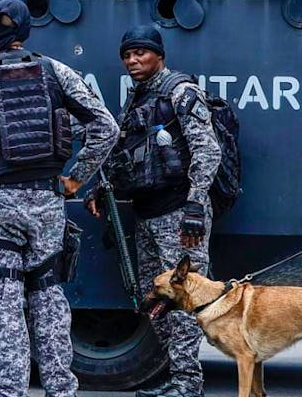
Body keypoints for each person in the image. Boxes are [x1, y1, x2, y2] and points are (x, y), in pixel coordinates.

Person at [0, 0, 119, 397]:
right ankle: (60, 389)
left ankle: (9, 391)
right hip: (47, 202)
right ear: (24, 31)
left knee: (5, 303)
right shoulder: (56, 70)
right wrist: (75, 179)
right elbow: (105, 126)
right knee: (49, 297)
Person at [86, 24, 221, 397]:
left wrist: (195, 204)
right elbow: (126, 152)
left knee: (183, 302)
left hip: (180, 214)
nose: (133, 60)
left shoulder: (180, 92)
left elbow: (207, 151)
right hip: (148, 214)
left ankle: (187, 384)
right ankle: (175, 376)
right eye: (127, 55)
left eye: (140, 53)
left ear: (159, 55)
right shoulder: (138, 98)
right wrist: (101, 188)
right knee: (156, 300)